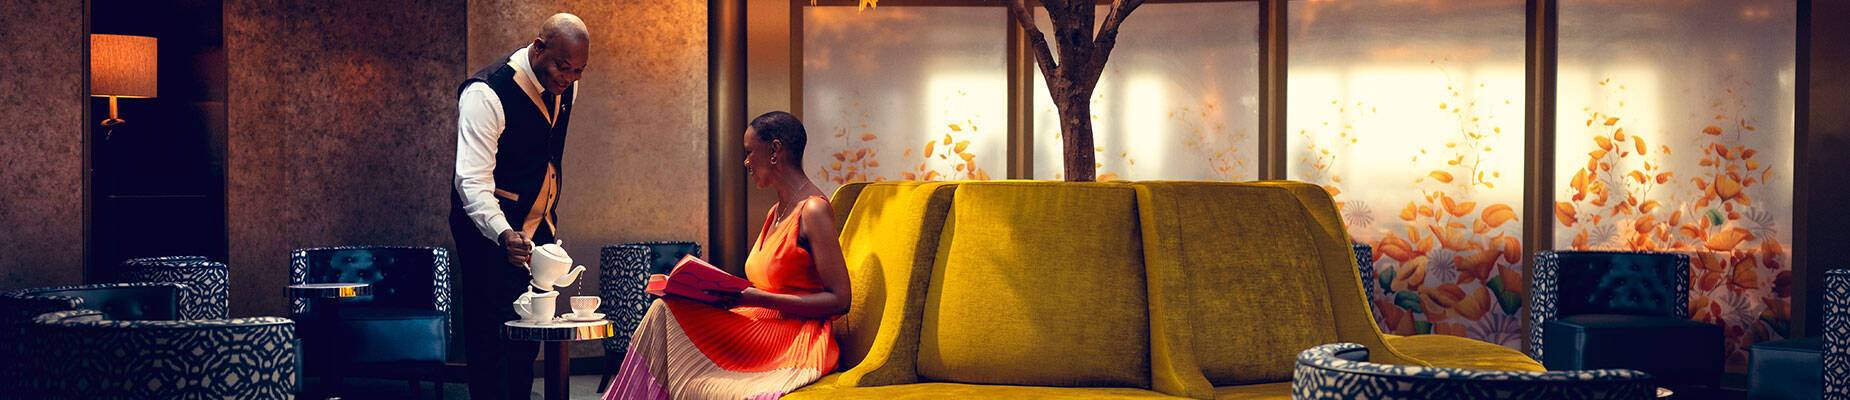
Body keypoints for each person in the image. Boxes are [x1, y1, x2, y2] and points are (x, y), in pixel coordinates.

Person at [604, 111, 851, 399]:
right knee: (665, 309)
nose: (746, 162)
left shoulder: (813, 210)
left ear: (774, 150)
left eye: (749, 152)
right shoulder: (776, 212)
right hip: (760, 323)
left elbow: (841, 299)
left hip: (793, 338)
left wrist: (757, 297)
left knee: (665, 316)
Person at [448, 13, 590, 400]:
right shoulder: (486, 93)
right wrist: (503, 231)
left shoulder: (567, 88)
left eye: (578, 71)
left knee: (528, 339)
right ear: (538, 47)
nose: (568, 78)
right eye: (563, 67)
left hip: (538, 231)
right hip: (488, 231)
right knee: (489, 336)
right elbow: (472, 181)